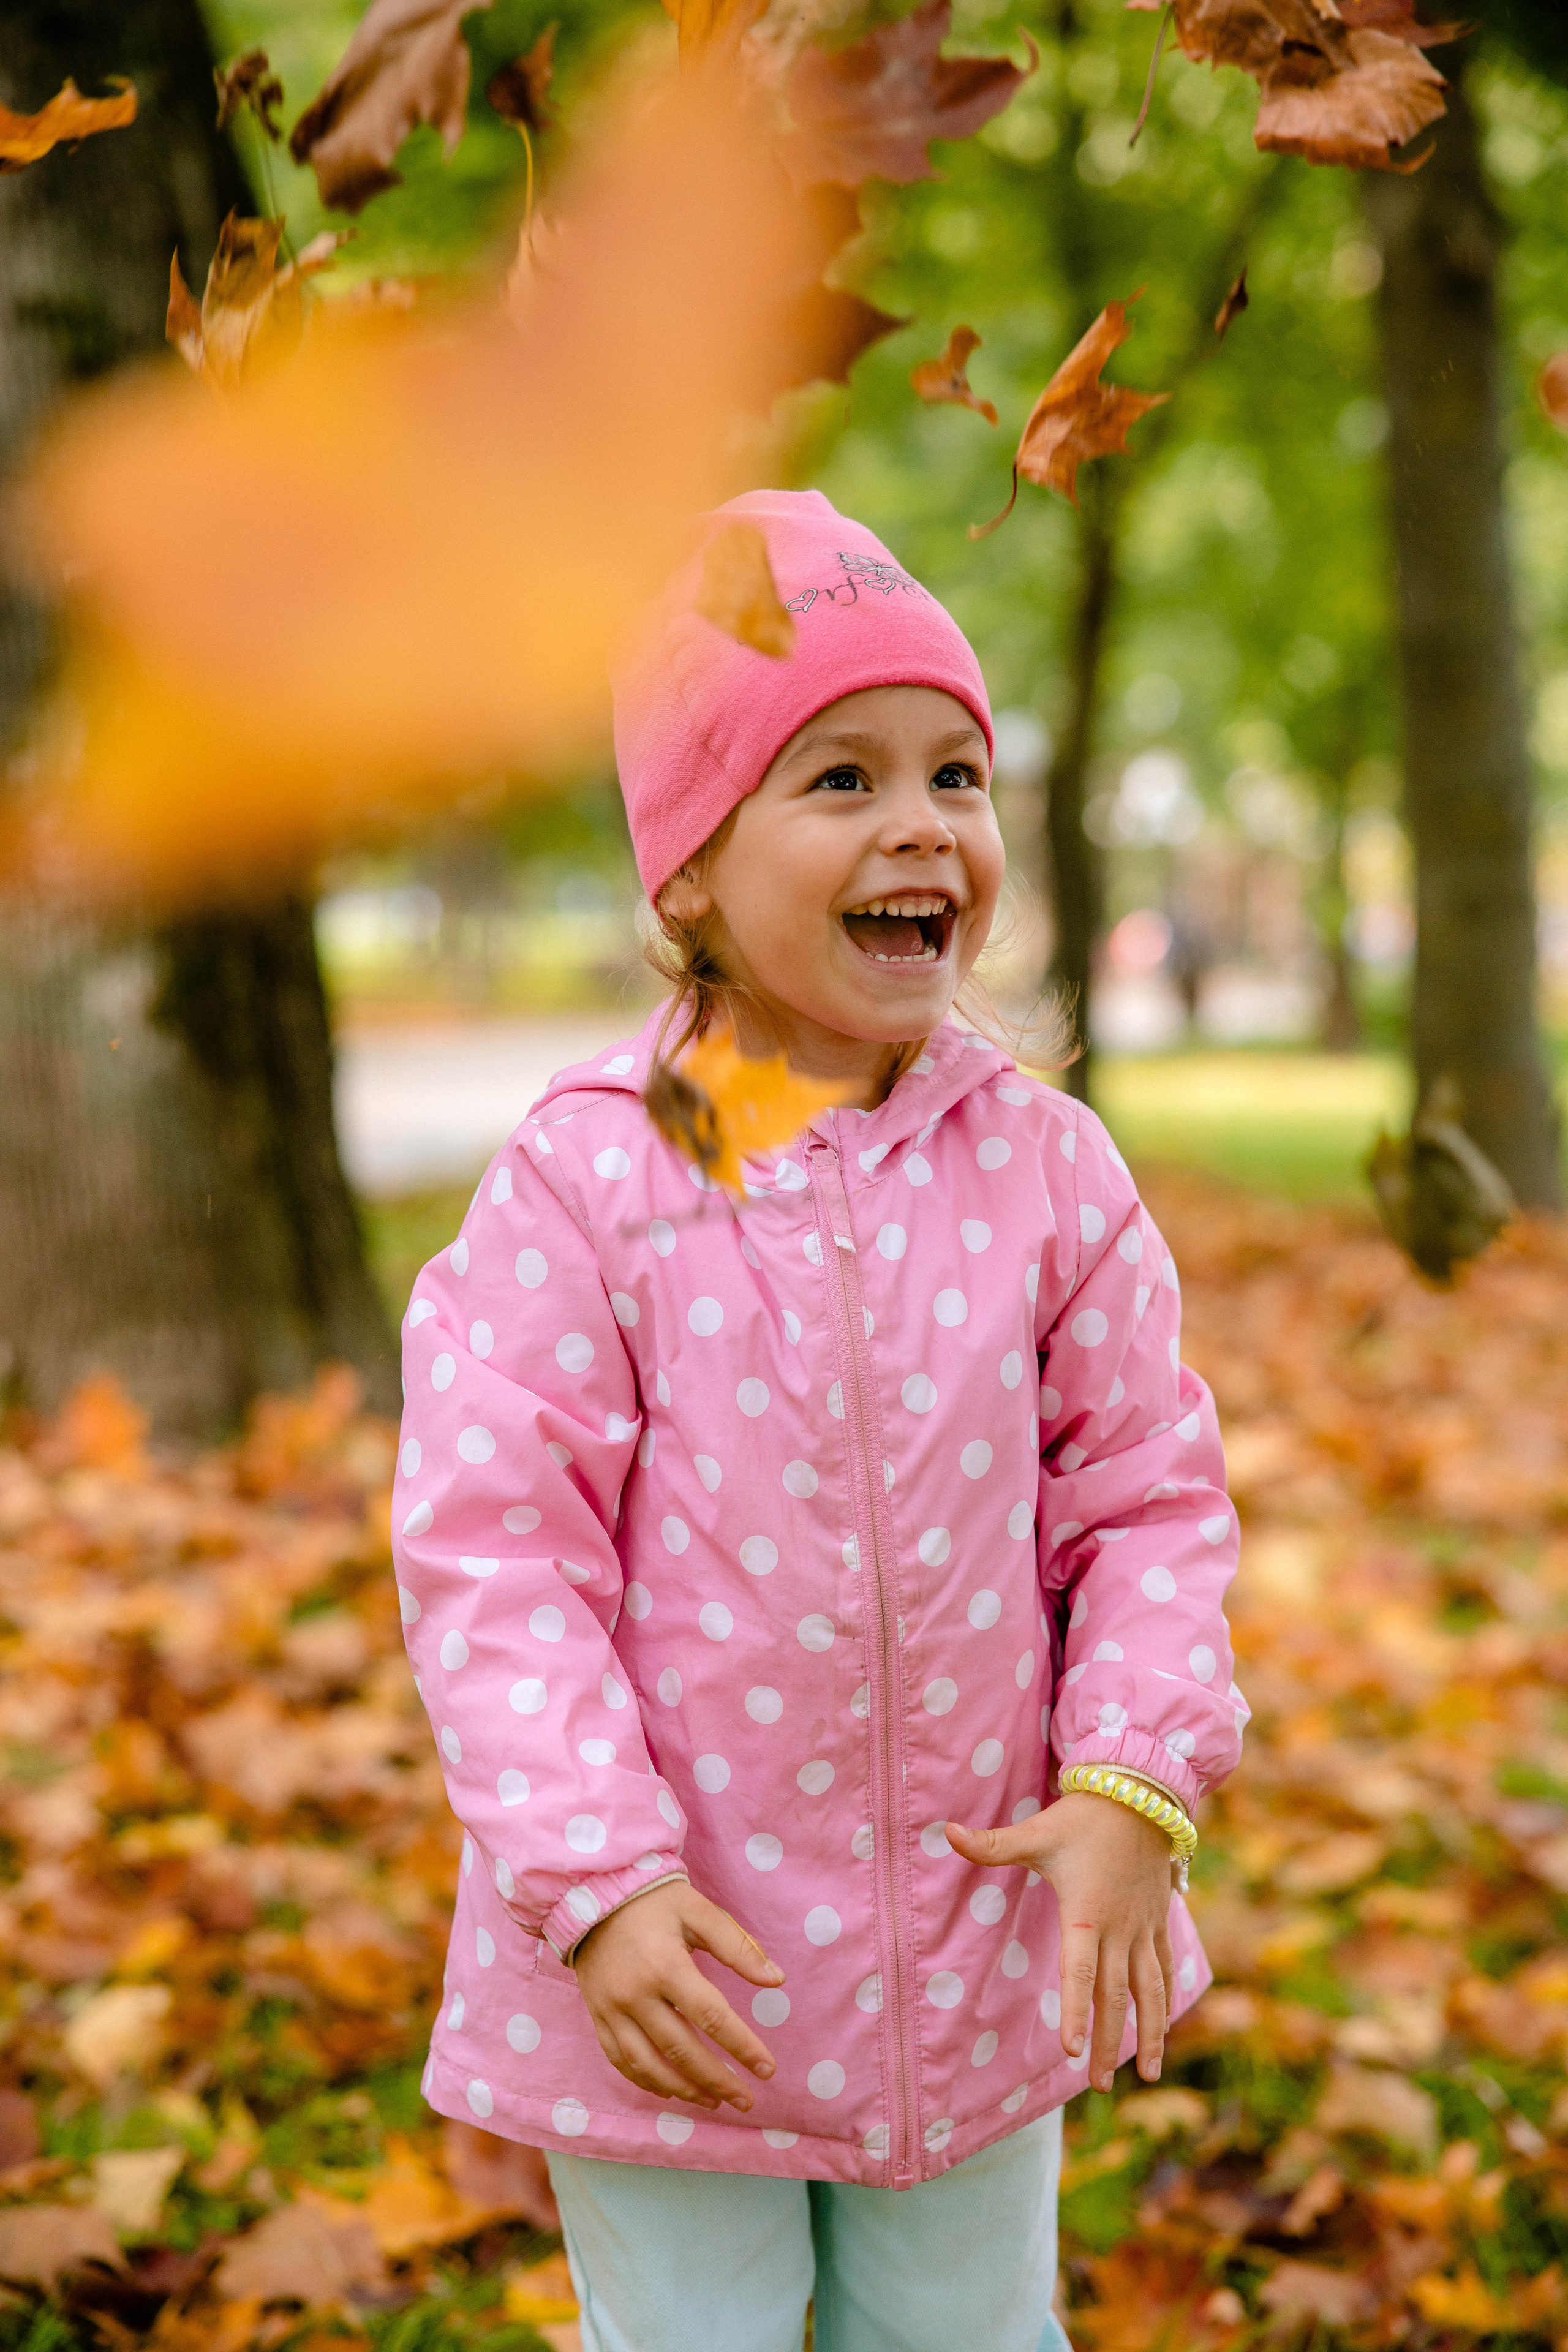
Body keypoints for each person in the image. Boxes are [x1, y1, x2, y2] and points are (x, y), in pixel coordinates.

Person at [394, 490, 1243, 2352]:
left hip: (967, 1940)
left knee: (962, 2334)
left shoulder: (1047, 1172)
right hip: (677, 1962)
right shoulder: (591, 1186)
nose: (924, 822)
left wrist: (1132, 1778)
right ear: (688, 866)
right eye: (839, 779)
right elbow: (496, 1563)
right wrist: (596, 1883)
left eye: (956, 770)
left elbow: (1149, 1503)